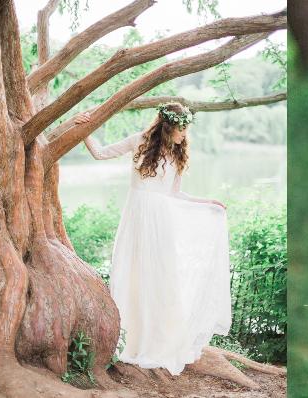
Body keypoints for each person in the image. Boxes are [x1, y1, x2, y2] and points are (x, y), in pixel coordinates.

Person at [76, 103, 231, 376]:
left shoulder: (176, 155)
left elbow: (175, 195)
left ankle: (158, 339)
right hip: (136, 218)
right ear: (169, 126)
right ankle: (130, 339)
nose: (185, 135)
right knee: (132, 273)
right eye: (182, 129)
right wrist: (85, 129)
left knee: (160, 277)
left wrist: (207, 202)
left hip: (160, 223)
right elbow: (100, 153)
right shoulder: (139, 141)